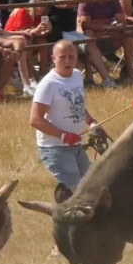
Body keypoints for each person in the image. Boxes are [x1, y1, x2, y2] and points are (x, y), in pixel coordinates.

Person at [29, 39, 104, 191]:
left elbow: (77, 106)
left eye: (71, 57)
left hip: (76, 144)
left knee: (91, 186)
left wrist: (91, 122)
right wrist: (63, 136)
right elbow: (35, 120)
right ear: (53, 59)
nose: (68, 61)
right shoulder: (48, 85)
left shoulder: (76, 76)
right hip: (56, 148)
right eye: (63, 57)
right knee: (76, 192)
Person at [78, 0, 133, 85]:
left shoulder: (113, 0)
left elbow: (121, 21)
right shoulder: (86, 1)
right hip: (93, 40)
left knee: (128, 32)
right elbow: (86, 25)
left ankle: (130, 72)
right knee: (88, 34)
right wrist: (104, 28)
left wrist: (117, 27)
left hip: (109, 37)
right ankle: (101, 78)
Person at [5, 0, 52, 82]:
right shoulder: (22, 11)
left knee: (43, 42)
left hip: (27, 38)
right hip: (12, 39)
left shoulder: (41, 16)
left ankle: (43, 75)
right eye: (37, 4)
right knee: (28, 42)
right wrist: (36, 30)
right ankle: (30, 77)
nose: (40, 8)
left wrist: (48, 28)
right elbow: (22, 32)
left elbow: (38, 32)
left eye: (43, 5)